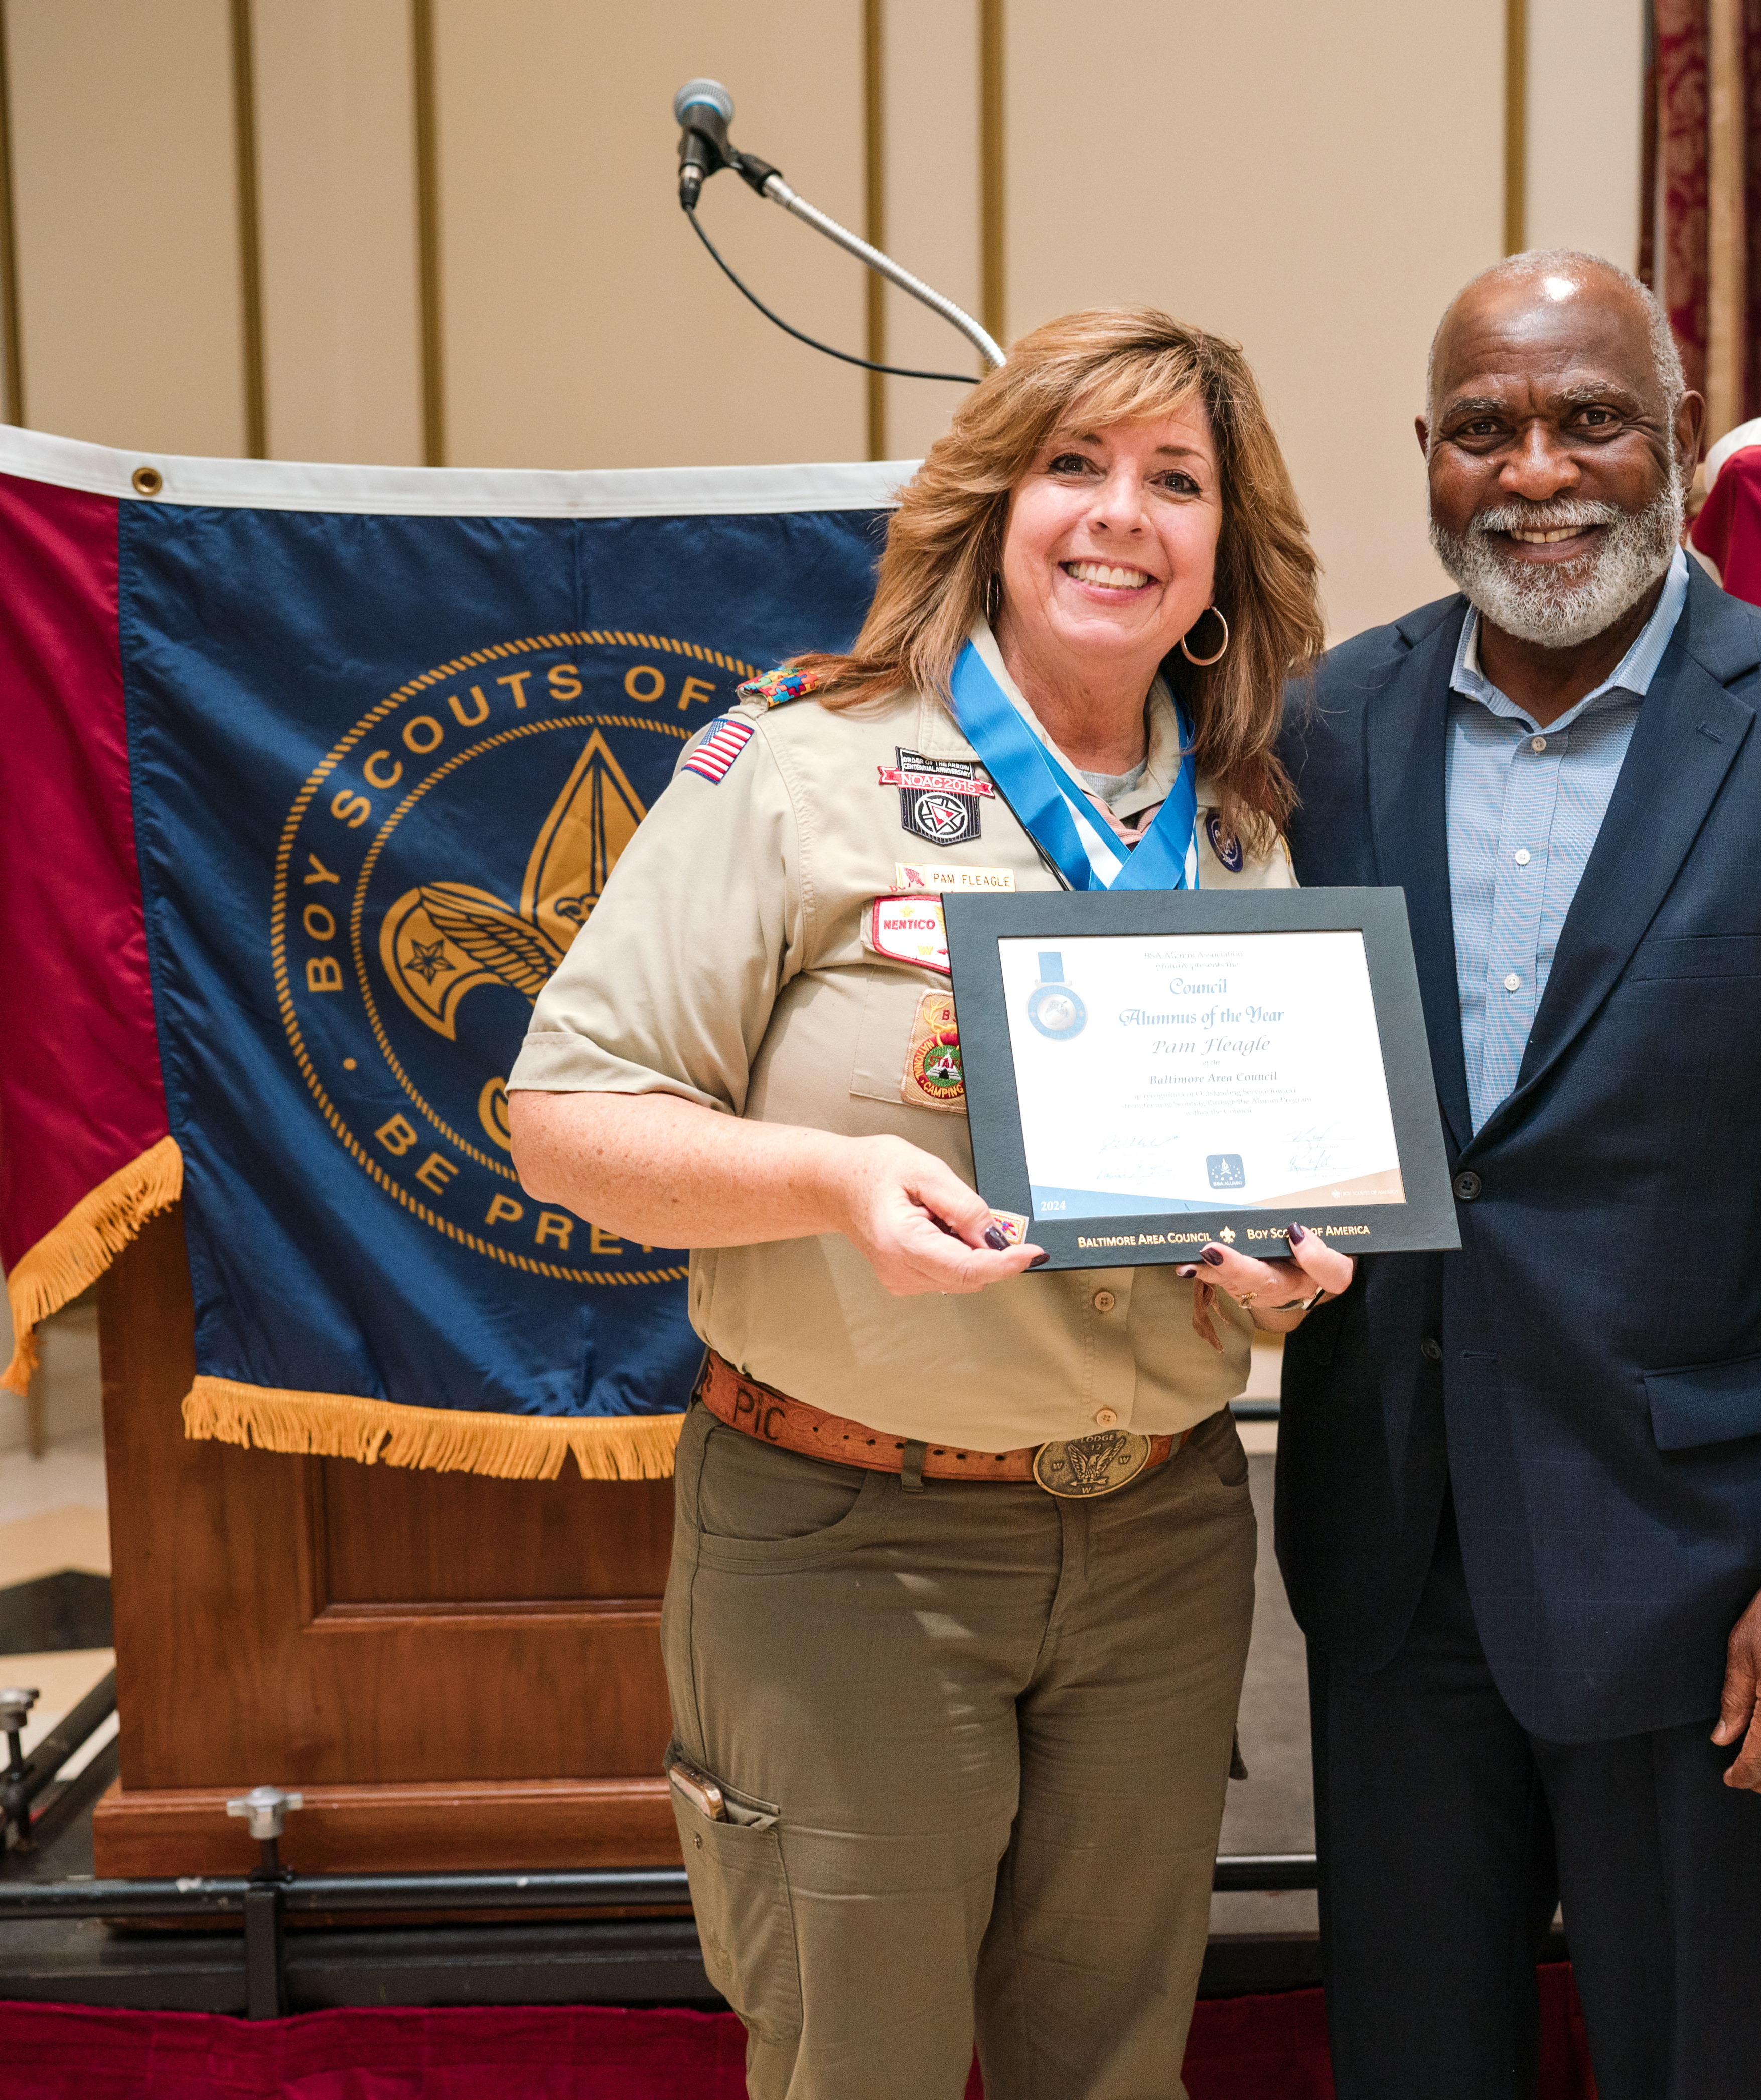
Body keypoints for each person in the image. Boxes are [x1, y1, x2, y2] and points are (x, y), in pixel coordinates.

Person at [506, 307, 1347, 2100]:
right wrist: (828, 1177)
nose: (1122, 514)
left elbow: (1246, 1200)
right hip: (849, 1541)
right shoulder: (795, 767)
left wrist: (1282, 1272)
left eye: (1175, 481)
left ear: (1219, 552)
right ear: (991, 506)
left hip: (1161, 1542)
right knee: (858, 2067)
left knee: (1115, 2067)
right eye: (1076, 465)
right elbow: (560, 1123)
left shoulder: (1241, 826)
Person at [1274, 250, 1761, 2099]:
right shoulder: (1316, 734)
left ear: (1676, 437)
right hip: (1391, 1562)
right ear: (1423, 458)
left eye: (1590, 417)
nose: (1536, 472)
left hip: (1709, 1590)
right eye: (1482, 430)